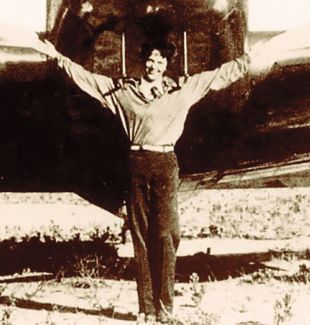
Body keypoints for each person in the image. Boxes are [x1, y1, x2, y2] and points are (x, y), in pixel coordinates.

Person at [37, 38, 250, 323]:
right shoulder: (122, 91)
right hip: (136, 163)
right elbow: (86, 79)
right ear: (143, 62)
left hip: (165, 164)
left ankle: (165, 308)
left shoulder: (183, 90)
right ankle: (146, 309)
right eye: (150, 59)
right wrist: (58, 57)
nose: (154, 65)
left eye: (160, 60)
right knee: (141, 235)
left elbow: (220, 75)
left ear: (167, 64)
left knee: (166, 234)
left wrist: (253, 57)